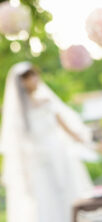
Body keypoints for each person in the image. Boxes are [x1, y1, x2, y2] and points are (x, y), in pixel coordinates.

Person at [1, 62, 93, 222]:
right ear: (21, 83)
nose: (33, 80)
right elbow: (17, 142)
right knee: (46, 199)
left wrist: (85, 140)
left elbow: (65, 126)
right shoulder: (18, 112)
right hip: (37, 160)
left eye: (34, 75)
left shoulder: (47, 101)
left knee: (69, 192)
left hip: (59, 153)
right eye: (28, 78)